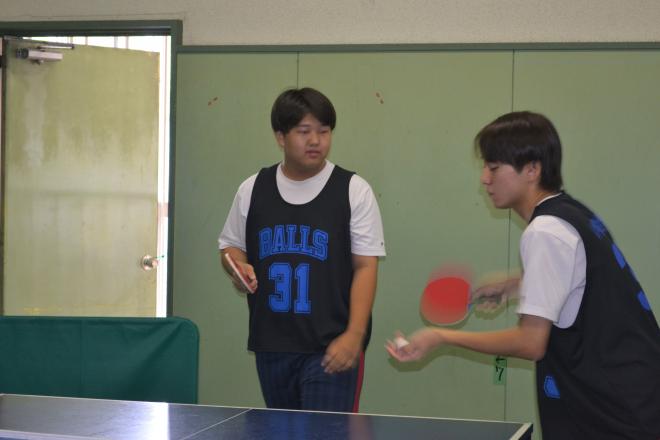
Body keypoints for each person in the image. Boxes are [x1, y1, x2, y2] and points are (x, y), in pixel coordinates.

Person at [387, 111, 660, 439]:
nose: (484, 179)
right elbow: (583, 274)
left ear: (532, 169)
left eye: (493, 167)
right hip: (638, 392)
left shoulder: (544, 231)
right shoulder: (571, 212)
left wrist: (441, 337)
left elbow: (530, 343)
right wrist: (517, 285)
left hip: (615, 412)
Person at [219, 87, 386, 413]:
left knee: (323, 433)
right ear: (280, 137)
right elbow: (230, 246)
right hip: (272, 345)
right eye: (304, 131)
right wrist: (238, 268)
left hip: (332, 346)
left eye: (324, 131)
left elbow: (366, 266)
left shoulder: (353, 190)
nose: (315, 141)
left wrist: (354, 334)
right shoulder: (252, 188)